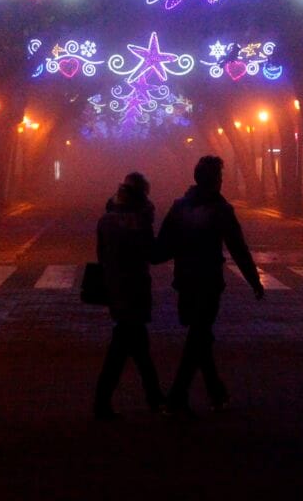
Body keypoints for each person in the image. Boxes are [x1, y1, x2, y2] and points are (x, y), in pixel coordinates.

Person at [157, 155, 263, 415]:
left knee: (199, 334)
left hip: (184, 279)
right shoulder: (221, 210)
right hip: (208, 280)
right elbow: (237, 248)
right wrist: (253, 280)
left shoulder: (179, 207)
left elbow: (163, 245)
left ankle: (215, 392)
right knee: (199, 335)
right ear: (216, 181)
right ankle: (178, 396)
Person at [93, 172, 165, 420]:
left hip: (115, 290)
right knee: (125, 348)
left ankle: (155, 398)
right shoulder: (139, 222)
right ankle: (105, 402)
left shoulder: (106, 221)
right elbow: (153, 254)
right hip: (135, 289)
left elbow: (101, 256)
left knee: (134, 346)